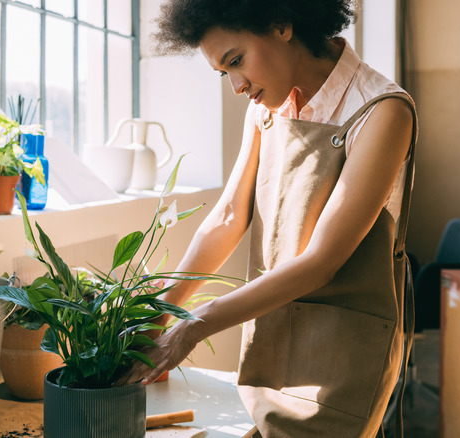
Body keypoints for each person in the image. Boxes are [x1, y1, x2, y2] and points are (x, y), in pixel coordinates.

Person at [121, 0, 418, 436]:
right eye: (224, 72)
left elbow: (322, 260)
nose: (237, 86)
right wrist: (160, 312)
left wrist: (193, 328)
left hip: (343, 360)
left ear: (282, 24)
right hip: (271, 345)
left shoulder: (381, 110)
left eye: (236, 61)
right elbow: (227, 217)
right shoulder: (265, 112)